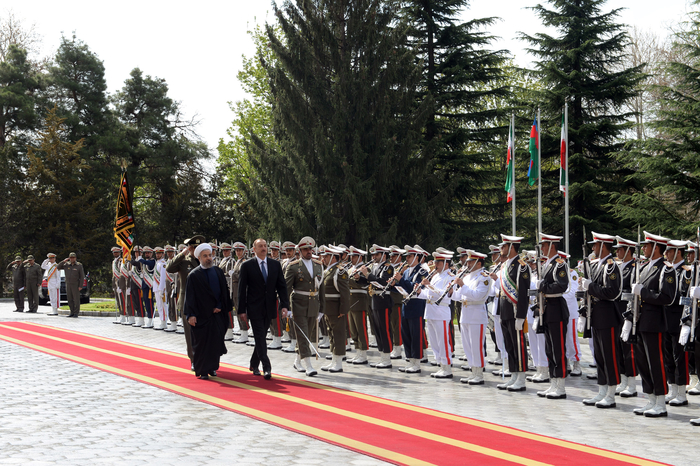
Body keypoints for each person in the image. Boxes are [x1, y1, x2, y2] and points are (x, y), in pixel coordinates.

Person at [623, 232, 676, 417]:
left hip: (655, 323)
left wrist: (644, 292)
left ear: (656, 248)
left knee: (656, 362)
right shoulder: (644, 267)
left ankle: (661, 402)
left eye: (646, 246)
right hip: (640, 321)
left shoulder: (666, 269)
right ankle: (651, 399)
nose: (644, 249)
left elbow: (667, 298)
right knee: (643, 362)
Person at [580, 232, 623, 409]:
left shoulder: (611, 267)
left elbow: (612, 293)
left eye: (595, 245)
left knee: (609, 355)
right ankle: (602, 389)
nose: (593, 248)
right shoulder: (598, 265)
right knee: (599, 355)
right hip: (596, 315)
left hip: (608, 316)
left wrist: (590, 287)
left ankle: (611, 393)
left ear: (603, 246)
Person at [237, 238, 290, 380]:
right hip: (254, 307)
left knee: (260, 338)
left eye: (265, 246)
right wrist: (241, 310)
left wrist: (285, 305)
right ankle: (266, 367)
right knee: (260, 337)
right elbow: (241, 290)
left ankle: (254, 363)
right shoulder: (247, 266)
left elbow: (282, 286)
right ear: (254, 249)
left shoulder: (275, 265)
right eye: (260, 246)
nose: (263, 248)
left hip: (270, 307)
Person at [184, 243, 232, 380]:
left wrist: (221, 305)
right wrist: (191, 314)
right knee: (202, 344)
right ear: (199, 258)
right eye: (205, 256)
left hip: (217, 315)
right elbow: (190, 297)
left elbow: (224, 292)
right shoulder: (193, 275)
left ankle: (212, 368)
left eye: (210, 255)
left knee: (215, 343)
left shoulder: (217, 272)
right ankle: (202, 370)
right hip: (201, 316)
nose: (208, 258)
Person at [534, 233, 569, 400]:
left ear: (552, 246)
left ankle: (560, 385)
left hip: (556, 308)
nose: (542, 248)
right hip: (547, 309)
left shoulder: (559, 264)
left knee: (558, 348)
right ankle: (553, 382)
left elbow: (561, 286)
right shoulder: (547, 264)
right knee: (549, 348)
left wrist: (543, 286)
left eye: (544, 245)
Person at [285, 236, 325, 376]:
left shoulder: (318, 265)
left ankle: (297, 361)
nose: (309, 251)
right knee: (302, 335)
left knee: (307, 334)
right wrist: (287, 308)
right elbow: (287, 288)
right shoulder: (294, 266)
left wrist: (322, 309)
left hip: (313, 305)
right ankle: (308, 365)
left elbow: (321, 288)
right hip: (298, 305)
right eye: (305, 249)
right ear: (300, 251)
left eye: (310, 249)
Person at [495, 235, 530, 391]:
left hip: (515, 312)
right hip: (505, 311)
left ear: (511, 247)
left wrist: (521, 316)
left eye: (504, 246)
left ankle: (521, 379)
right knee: (509, 346)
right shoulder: (504, 266)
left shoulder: (522, 266)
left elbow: (523, 293)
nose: (501, 249)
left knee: (518, 346)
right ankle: (513, 375)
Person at [452, 251, 491, 385]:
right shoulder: (467, 277)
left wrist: (462, 285)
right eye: (467, 261)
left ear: (478, 263)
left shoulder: (484, 277)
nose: (467, 263)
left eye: (470, 261)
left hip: (477, 314)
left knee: (476, 345)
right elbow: (459, 296)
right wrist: (451, 292)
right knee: (467, 345)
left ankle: (479, 373)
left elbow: (478, 295)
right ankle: (473, 371)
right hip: (465, 313)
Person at [167, 236, 204, 369]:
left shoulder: (204, 260)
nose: (195, 250)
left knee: (204, 333)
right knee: (190, 333)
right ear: (189, 248)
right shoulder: (184, 261)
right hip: (187, 302)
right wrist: (182, 253)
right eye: (192, 247)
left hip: (203, 302)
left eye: (197, 247)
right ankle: (193, 359)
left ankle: (205, 359)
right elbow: (169, 268)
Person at [418, 249, 455, 379]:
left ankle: (447, 367)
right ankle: (440, 364)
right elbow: (428, 295)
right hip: (431, 311)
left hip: (441, 312)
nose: (435, 264)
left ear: (445, 263)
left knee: (443, 341)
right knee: (434, 341)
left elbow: (445, 295)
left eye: (438, 262)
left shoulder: (450, 277)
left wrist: (429, 286)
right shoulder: (434, 276)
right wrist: (418, 292)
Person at [613, 236, 639, 397]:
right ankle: (622, 380)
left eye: (620, 249)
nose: (617, 252)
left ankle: (631, 383)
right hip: (616, 311)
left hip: (627, 312)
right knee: (619, 348)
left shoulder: (635, 268)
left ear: (628, 251)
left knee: (629, 349)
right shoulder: (618, 267)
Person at [319, 246, 350, 373]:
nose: (323, 258)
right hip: (328, 308)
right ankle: (333, 360)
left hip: (337, 309)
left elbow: (345, 294)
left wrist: (343, 310)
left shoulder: (340, 271)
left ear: (333, 257)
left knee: (338, 334)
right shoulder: (328, 270)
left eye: (326, 256)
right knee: (331, 334)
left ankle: (338, 363)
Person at [231, 242, 251, 344]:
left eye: (240, 250)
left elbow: (244, 277)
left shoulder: (244, 262)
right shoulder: (237, 262)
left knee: (242, 311)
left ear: (244, 251)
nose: (238, 252)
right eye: (236, 250)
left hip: (241, 289)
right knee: (238, 310)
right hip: (235, 289)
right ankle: (242, 332)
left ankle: (245, 333)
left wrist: (233, 275)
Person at [57, 252, 85, 318]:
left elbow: (82, 276)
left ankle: (76, 313)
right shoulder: (66, 265)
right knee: (70, 299)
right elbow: (58, 267)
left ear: (75, 258)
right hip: (68, 284)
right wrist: (64, 261)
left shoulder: (79, 265)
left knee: (76, 299)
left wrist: (80, 286)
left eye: (73, 258)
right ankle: (71, 312)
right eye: (71, 258)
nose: (72, 259)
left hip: (75, 284)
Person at [111, 247, 127, 324]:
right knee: (118, 300)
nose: (115, 254)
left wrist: (120, 286)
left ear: (120, 253)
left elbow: (121, 274)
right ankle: (121, 315)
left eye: (117, 252)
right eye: (114, 252)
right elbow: (113, 274)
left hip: (120, 283)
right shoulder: (114, 261)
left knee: (122, 300)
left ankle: (123, 316)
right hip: (116, 283)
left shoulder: (121, 261)